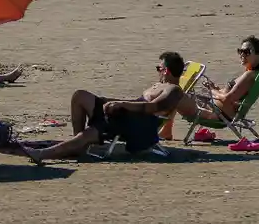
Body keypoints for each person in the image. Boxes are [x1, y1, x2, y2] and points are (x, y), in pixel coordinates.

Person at [24, 52, 200, 161]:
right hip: (126, 113)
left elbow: (152, 108)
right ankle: (77, 144)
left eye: (158, 68)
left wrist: (122, 104)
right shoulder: (158, 85)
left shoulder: (174, 90)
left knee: (89, 133)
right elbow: (139, 102)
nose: (157, 71)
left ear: (166, 71)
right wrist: (110, 100)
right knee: (80, 96)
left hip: (134, 123)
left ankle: (44, 154)